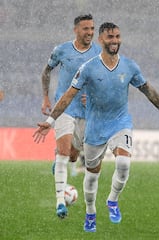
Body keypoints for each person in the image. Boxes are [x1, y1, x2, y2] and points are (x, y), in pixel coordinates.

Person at [33, 22, 159, 232]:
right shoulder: (88, 68)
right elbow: (69, 95)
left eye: (117, 37)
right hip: (95, 126)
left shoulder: (130, 66)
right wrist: (50, 122)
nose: (114, 41)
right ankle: (90, 212)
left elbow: (146, 89)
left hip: (120, 122)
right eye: (110, 37)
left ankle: (112, 200)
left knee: (123, 163)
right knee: (92, 174)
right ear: (101, 40)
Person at [40, 14, 101, 219]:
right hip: (64, 107)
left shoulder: (99, 53)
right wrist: (46, 99)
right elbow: (46, 71)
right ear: (76, 30)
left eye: (92, 29)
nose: (90, 33)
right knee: (64, 152)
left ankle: (60, 164)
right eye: (86, 29)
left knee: (74, 156)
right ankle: (59, 203)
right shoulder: (61, 50)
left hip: (86, 112)